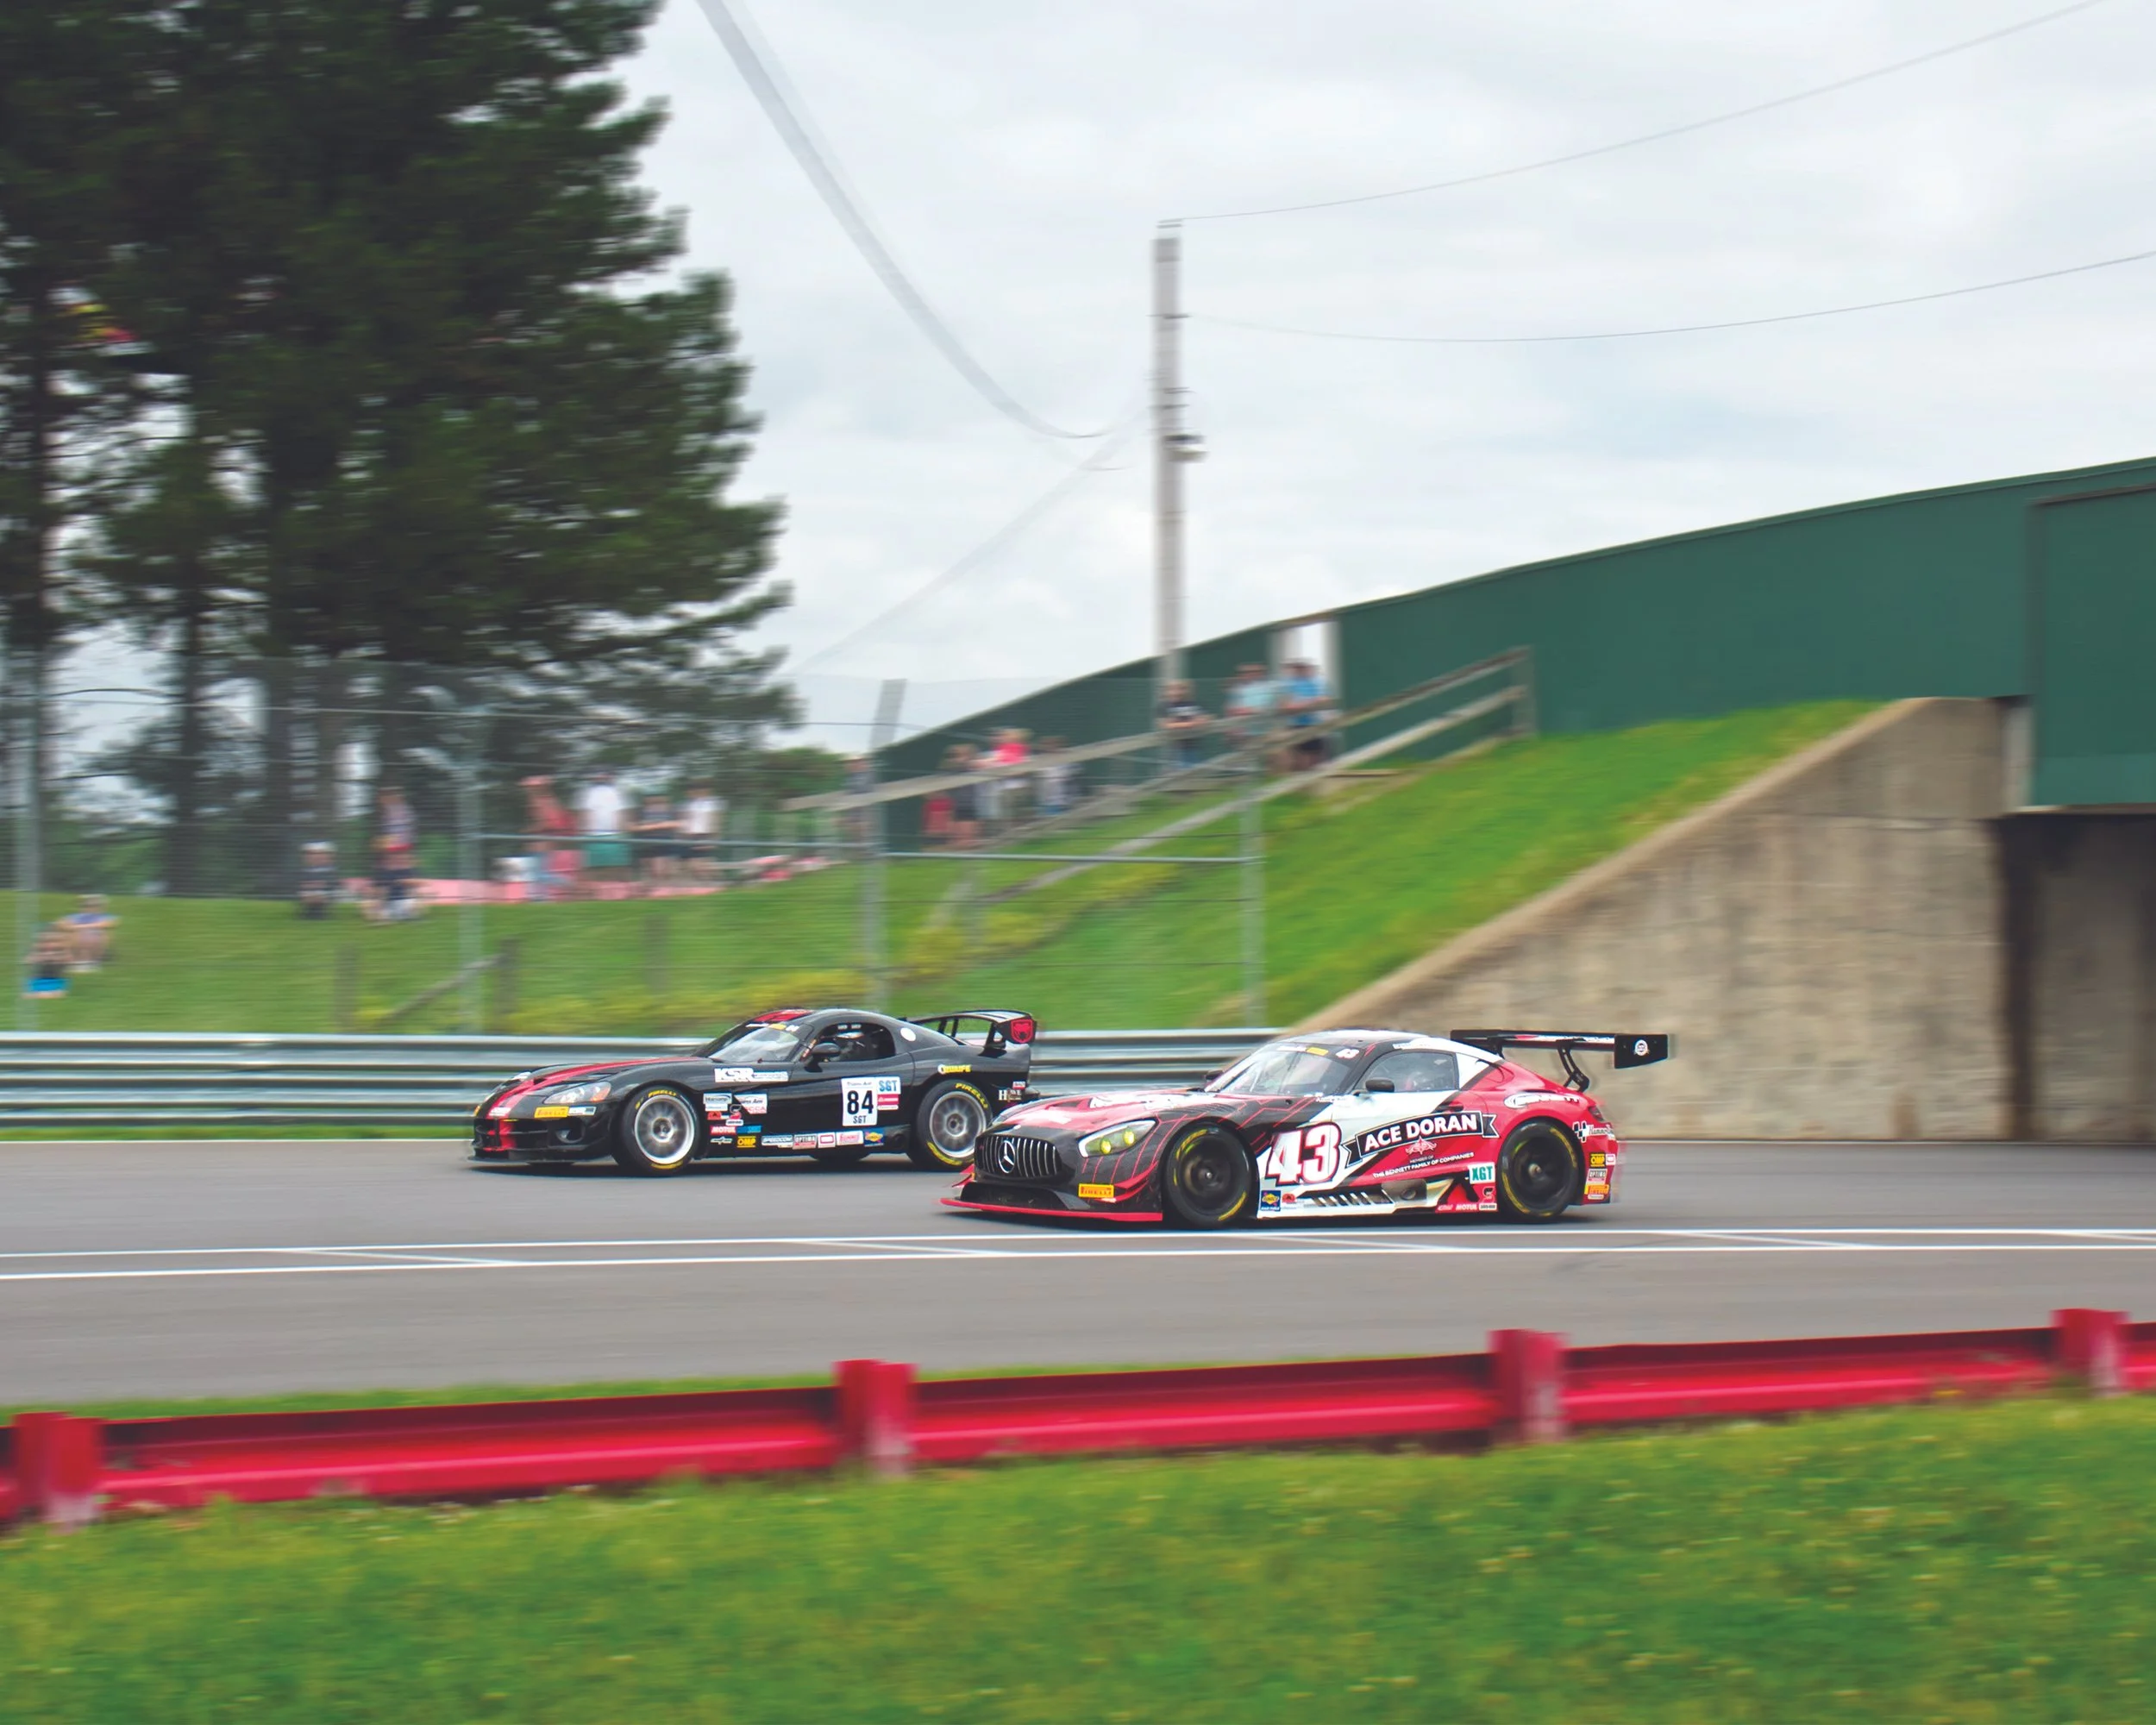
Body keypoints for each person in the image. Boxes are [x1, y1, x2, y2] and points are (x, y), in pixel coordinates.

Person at [521, 775, 580, 900]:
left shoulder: (538, 802)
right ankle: (539, 899)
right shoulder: (551, 800)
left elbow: (546, 824)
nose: (527, 790)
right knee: (538, 873)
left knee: (539, 874)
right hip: (548, 841)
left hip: (541, 841)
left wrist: (527, 831)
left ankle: (569, 885)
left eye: (529, 788)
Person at [1278, 658, 1336, 770]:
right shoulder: (1288, 684)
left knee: (1317, 756)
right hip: (1296, 724)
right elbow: (1285, 706)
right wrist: (1310, 703)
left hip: (1317, 723)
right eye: (1297, 667)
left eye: (1303, 667)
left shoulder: (1319, 682)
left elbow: (1325, 700)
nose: (1300, 670)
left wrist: (1301, 705)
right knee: (1300, 756)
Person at [373, 785, 419, 921]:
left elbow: (407, 833)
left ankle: (407, 906)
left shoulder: (402, 812)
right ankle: (385, 905)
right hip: (392, 851)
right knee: (387, 878)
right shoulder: (388, 814)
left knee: (405, 878)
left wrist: (392, 845)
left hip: (400, 849)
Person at [579, 768, 630, 884]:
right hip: (593, 836)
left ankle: (616, 889)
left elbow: (620, 814)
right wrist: (586, 833)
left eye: (605, 775)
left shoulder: (617, 792)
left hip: (614, 835)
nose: (602, 778)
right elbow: (587, 813)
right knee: (594, 869)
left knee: (617, 868)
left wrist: (622, 833)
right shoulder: (589, 793)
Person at [1226, 662, 1280, 770]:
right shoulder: (1237, 689)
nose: (1250, 674)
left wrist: (1249, 710)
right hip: (1246, 731)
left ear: (1262, 673)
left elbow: (1267, 707)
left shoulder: (1270, 687)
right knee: (1249, 761)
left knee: (1272, 758)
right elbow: (1231, 709)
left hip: (1267, 730)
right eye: (1245, 672)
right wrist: (1232, 729)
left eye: (1255, 672)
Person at [1155, 679, 1209, 771]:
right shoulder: (1163, 706)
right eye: (1172, 689)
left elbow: (1204, 720)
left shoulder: (1194, 704)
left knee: (1194, 773)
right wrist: (1191, 723)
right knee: (1176, 774)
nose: (1176, 692)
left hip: (1193, 746)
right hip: (1174, 748)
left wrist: (1177, 723)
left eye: (1181, 689)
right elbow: (1165, 725)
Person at [633, 791, 681, 889]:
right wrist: (658, 825)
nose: (656, 799)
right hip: (649, 842)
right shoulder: (641, 811)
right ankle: (656, 889)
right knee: (656, 871)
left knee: (669, 871)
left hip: (667, 841)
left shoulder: (671, 809)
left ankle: (666, 889)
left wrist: (652, 825)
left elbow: (678, 823)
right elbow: (634, 827)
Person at [681, 781, 724, 883]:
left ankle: (718, 883)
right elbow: (685, 821)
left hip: (705, 835)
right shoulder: (688, 804)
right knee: (694, 865)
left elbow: (717, 821)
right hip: (691, 837)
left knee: (705, 864)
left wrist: (714, 839)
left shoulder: (712, 803)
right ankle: (708, 884)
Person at [60, 894, 118, 968]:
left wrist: (80, 927)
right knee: (70, 934)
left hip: (96, 937)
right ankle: (73, 960)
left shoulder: (106, 916)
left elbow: (109, 924)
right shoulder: (75, 916)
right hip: (77, 938)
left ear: (101, 907)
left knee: (104, 934)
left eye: (95, 906)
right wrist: (80, 929)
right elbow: (62, 925)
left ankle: (95, 960)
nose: (91, 908)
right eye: (87, 906)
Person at [947, 743, 981, 849]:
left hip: (969, 800)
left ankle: (968, 840)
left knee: (968, 818)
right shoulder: (952, 766)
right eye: (957, 755)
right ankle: (959, 841)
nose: (959, 758)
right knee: (957, 818)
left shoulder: (972, 765)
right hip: (957, 800)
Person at [22, 927, 70, 999]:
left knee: (58, 994)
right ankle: (43, 994)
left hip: (56, 979)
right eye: (45, 941)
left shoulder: (62, 949)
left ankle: (43, 995)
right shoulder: (36, 949)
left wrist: (55, 958)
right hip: (37, 980)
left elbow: (67, 960)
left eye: (52, 940)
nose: (49, 944)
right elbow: (27, 961)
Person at [1034, 737, 1075, 819]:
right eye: (1046, 744)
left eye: (1053, 744)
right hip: (1045, 789)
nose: (1050, 747)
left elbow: (1070, 771)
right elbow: (1038, 772)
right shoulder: (1039, 758)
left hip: (1062, 788)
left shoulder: (1066, 756)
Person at [297, 844, 340, 919]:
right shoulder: (302, 872)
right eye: (311, 854)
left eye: (321, 853)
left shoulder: (331, 872)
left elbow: (331, 887)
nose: (315, 857)